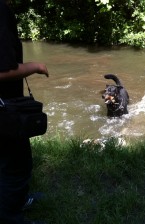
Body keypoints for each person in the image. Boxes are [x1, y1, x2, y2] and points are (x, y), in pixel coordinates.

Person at [0, 0, 49, 223]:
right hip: (3, 108)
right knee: (16, 165)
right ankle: (10, 216)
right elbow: (2, 71)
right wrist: (35, 67)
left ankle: (17, 201)